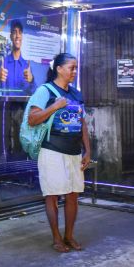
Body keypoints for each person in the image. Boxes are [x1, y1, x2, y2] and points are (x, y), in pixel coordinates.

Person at [27, 53, 91, 253]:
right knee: (52, 195)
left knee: (73, 196)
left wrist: (88, 150)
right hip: (52, 151)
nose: (74, 72)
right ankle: (56, 238)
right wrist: (55, 106)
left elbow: (82, 123)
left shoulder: (76, 94)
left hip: (73, 153)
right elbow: (32, 119)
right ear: (59, 69)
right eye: (71, 67)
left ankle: (69, 236)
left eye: (75, 68)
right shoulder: (45, 91)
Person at [0, 20, 37, 96]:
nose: (17, 35)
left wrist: (31, 80)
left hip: (22, 108)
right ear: (11, 36)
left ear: (22, 36)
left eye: (20, 32)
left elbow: (34, 94)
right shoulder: (3, 63)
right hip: (5, 107)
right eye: (14, 32)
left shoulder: (26, 66)